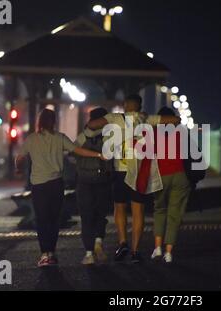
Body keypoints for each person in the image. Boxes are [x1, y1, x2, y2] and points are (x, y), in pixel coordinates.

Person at [87, 94, 180, 263]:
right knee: (138, 210)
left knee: (119, 207)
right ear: (140, 106)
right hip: (139, 172)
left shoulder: (115, 118)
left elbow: (92, 125)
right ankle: (136, 251)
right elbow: (175, 120)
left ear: (125, 105)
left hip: (120, 171)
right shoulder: (146, 118)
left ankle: (123, 242)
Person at [16, 108, 105, 268]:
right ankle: (52, 252)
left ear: (40, 122)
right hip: (56, 184)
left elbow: (20, 157)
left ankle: (45, 254)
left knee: (42, 220)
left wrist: (18, 167)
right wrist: (98, 155)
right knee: (54, 219)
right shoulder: (60, 138)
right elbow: (78, 150)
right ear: (54, 121)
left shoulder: (31, 139)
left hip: (39, 185)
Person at [151, 107, 192, 263]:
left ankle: (158, 248)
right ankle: (169, 253)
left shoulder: (154, 133)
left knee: (159, 210)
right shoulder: (180, 132)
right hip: (180, 175)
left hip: (161, 175)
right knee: (174, 214)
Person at [75, 107, 114, 265]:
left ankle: (89, 254)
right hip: (103, 179)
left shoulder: (83, 135)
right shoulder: (109, 135)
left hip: (84, 180)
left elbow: (72, 151)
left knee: (86, 216)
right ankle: (98, 241)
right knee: (100, 214)